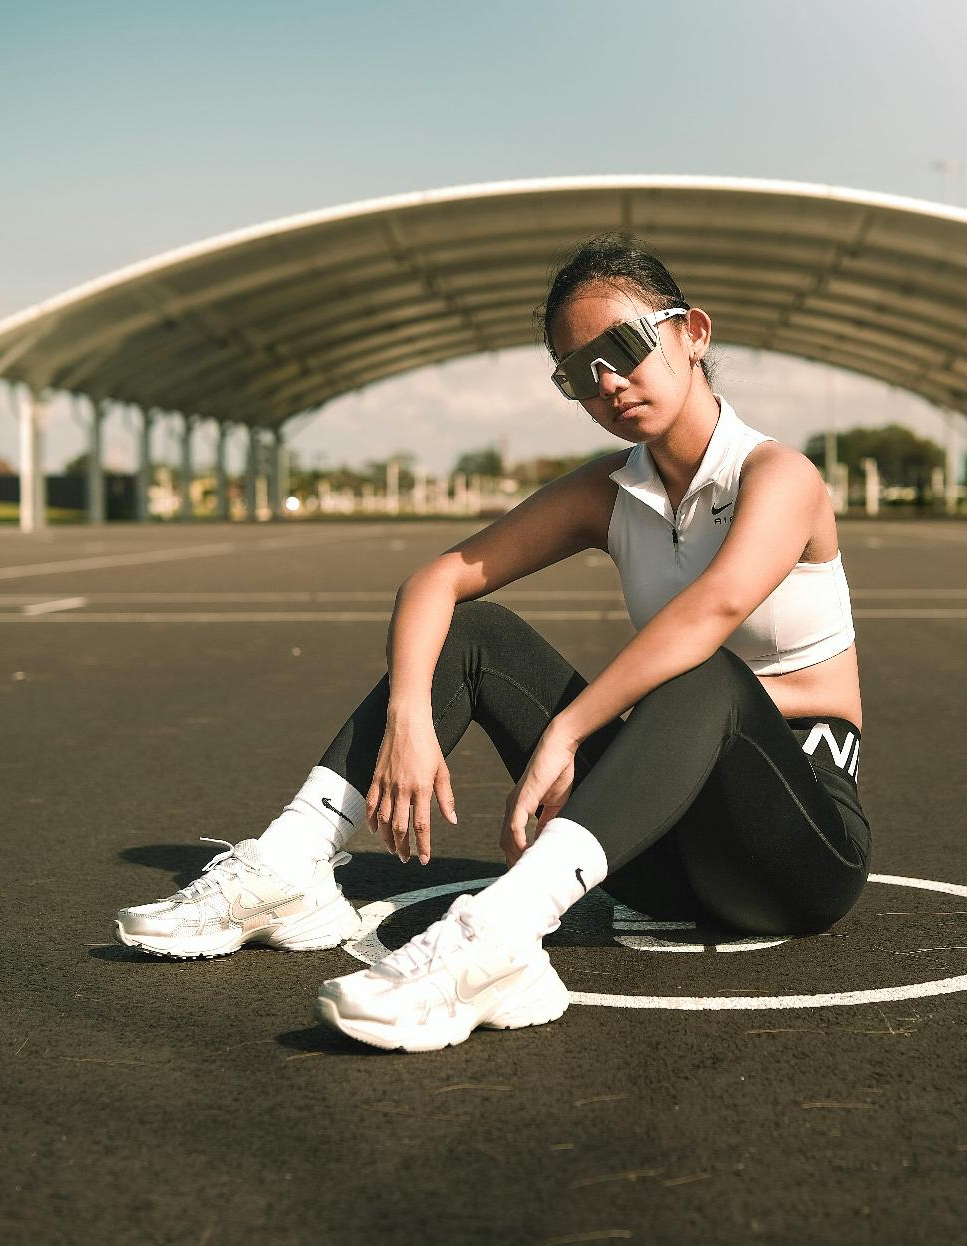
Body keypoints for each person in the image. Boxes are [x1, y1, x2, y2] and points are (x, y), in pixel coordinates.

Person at [114, 234, 871, 1052]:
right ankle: (295, 863)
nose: (608, 382)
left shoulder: (780, 476)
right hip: (660, 856)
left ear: (692, 333)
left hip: (793, 852)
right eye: (578, 372)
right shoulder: (611, 490)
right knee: (475, 634)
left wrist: (569, 728)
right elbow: (437, 581)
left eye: (624, 347)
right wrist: (409, 717)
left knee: (703, 674)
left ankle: (502, 937)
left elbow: (710, 612)